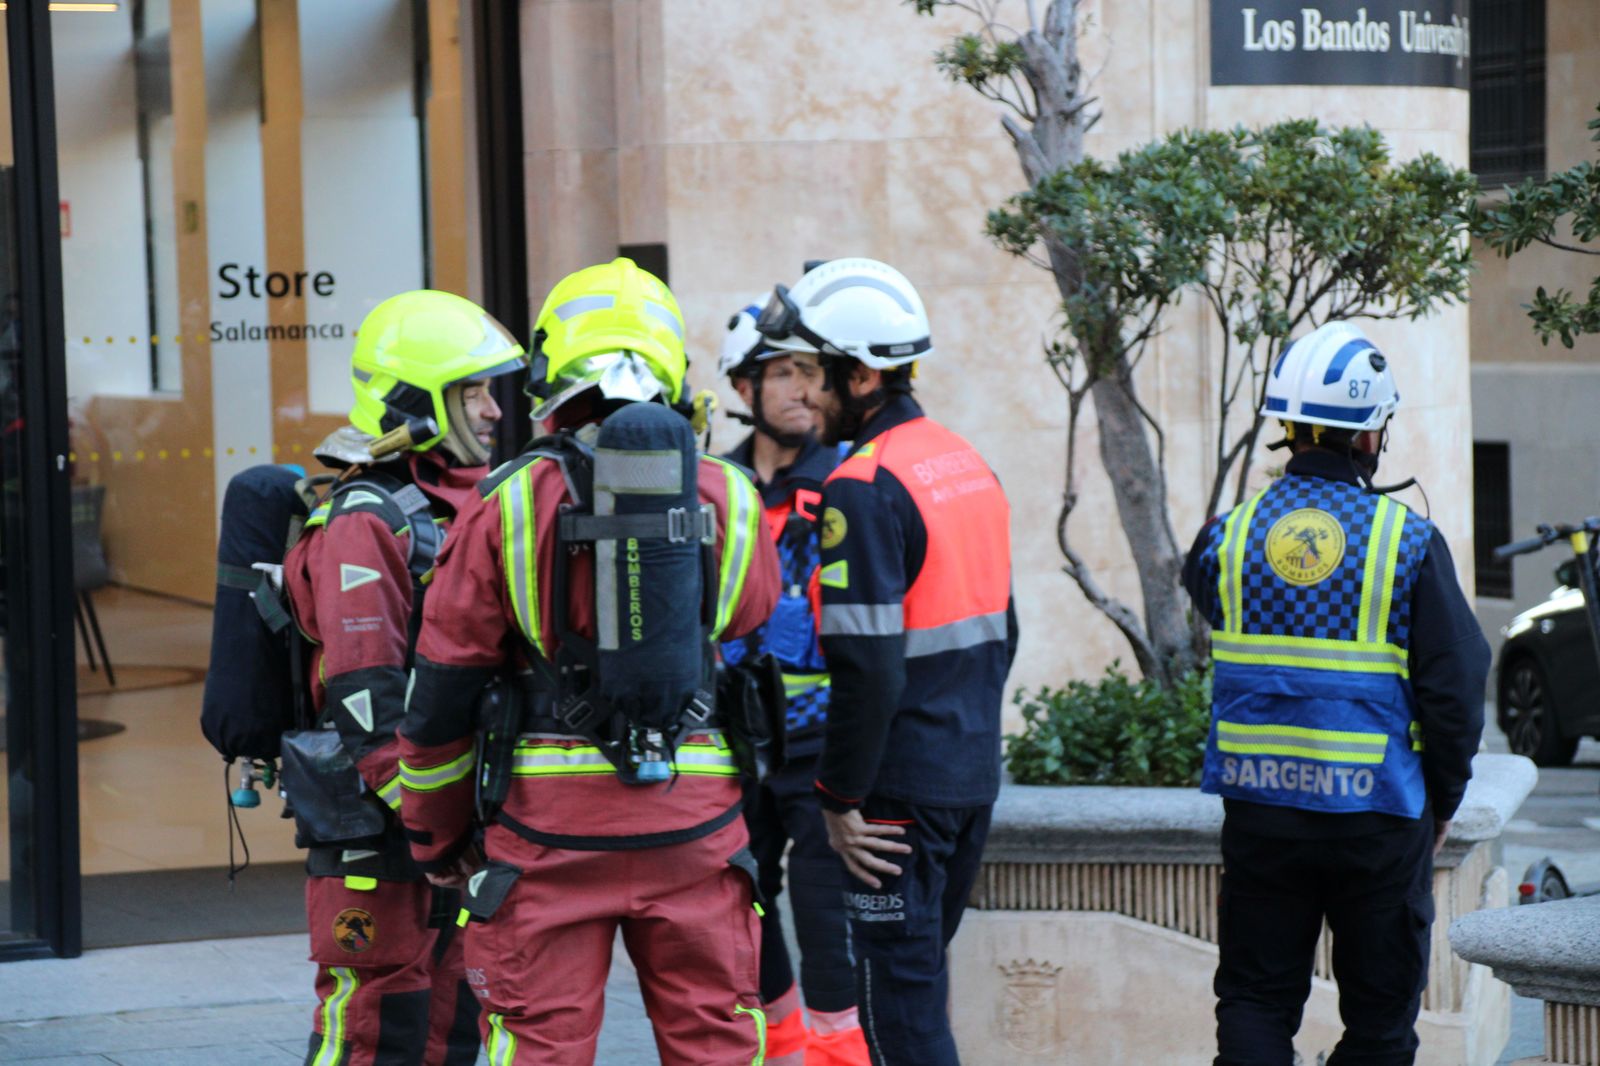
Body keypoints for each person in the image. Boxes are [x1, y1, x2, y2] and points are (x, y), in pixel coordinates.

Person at [395, 257, 781, 1065]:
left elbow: (444, 688)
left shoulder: (505, 499)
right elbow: (750, 614)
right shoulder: (730, 494)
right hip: (696, 825)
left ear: (554, 370)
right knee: (715, 1043)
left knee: (538, 1046)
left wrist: (436, 840)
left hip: (546, 837)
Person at [1181, 321, 1489, 1065]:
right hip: (1378, 816)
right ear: (1371, 434)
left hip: (1262, 811)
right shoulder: (1405, 542)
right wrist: (1442, 801)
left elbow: (1222, 612)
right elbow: (1455, 689)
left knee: (1255, 1001)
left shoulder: (1227, 537)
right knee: (1381, 1024)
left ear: (1288, 426)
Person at [754, 257, 1018, 1066]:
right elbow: (1006, 630)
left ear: (863, 375)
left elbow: (866, 666)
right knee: (918, 990)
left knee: (897, 1017)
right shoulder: (961, 461)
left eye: (815, 374)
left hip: (895, 794)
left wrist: (837, 797)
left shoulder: (863, 484)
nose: (803, 395)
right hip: (968, 770)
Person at [282, 289, 526, 1066]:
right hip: (379, 826)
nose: (493, 410)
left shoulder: (474, 501)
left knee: (454, 1021)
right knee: (376, 1022)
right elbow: (366, 695)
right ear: (418, 400)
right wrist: (429, 818)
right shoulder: (367, 516)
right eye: (473, 392)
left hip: (445, 818)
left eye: (492, 391)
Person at [717, 304, 869, 1066]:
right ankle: (778, 1050)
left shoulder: (845, 477)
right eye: (783, 373)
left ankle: (839, 1054)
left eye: (813, 372)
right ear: (745, 386)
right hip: (735, 736)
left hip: (819, 735)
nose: (803, 390)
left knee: (824, 907)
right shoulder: (717, 486)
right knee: (739, 899)